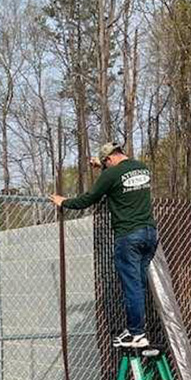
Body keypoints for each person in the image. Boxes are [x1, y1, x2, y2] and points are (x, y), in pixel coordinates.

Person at [50, 142, 158, 348]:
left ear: (108, 160)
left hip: (128, 236)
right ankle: (137, 329)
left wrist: (63, 201)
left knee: (132, 286)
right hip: (150, 234)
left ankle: (137, 333)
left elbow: (88, 199)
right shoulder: (142, 168)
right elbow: (122, 175)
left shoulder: (109, 175)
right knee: (140, 285)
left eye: (105, 163)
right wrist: (102, 165)